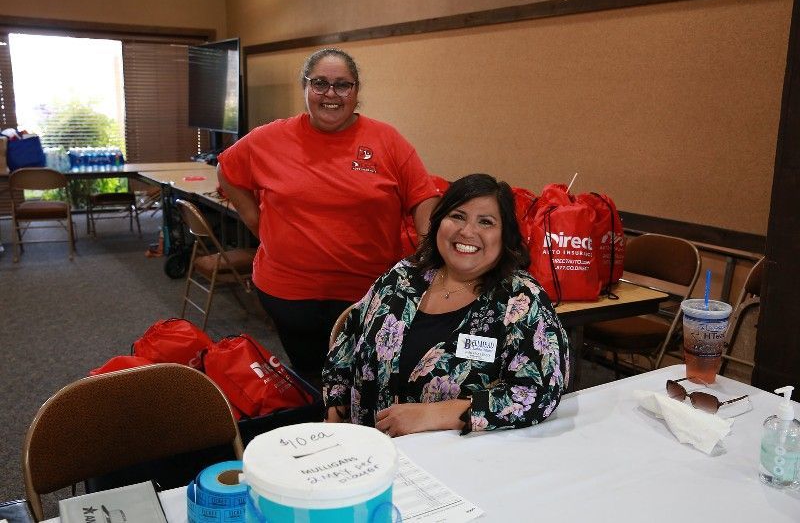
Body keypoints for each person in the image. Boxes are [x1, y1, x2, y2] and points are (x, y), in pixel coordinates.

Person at [217, 48, 440, 386]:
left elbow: (423, 195)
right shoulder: (269, 138)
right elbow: (227, 170)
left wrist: (427, 253)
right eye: (320, 83)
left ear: (356, 91)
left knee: (365, 381)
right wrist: (258, 223)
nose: (331, 94)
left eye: (342, 85)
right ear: (305, 87)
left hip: (366, 294)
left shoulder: (386, 140)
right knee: (311, 380)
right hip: (288, 293)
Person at [323, 174, 570, 436]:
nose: (467, 231)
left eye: (485, 222)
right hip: (367, 451)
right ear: (439, 222)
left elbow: (539, 391)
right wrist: (335, 416)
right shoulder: (403, 276)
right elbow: (349, 337)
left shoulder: (521, 300)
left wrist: (436, 414)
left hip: (456, 460)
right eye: (457, 216)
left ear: (505, 236)